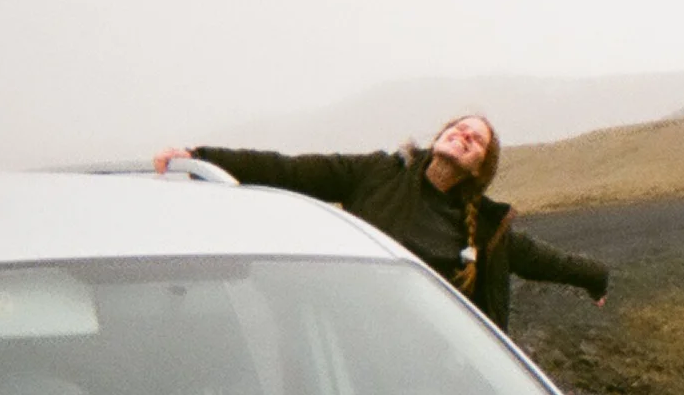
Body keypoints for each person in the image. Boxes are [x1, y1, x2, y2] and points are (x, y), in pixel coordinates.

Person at [153, 115, 607, 332]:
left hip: (439, 362)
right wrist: (202, 157)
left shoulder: (486, 226)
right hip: (359, 340)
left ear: (480, 165)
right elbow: (289, 170)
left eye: (477, 140)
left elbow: (541, 259)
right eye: (459, 128)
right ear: (438, 137)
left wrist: (595, 276)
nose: (464, 135)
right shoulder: (376, 174)